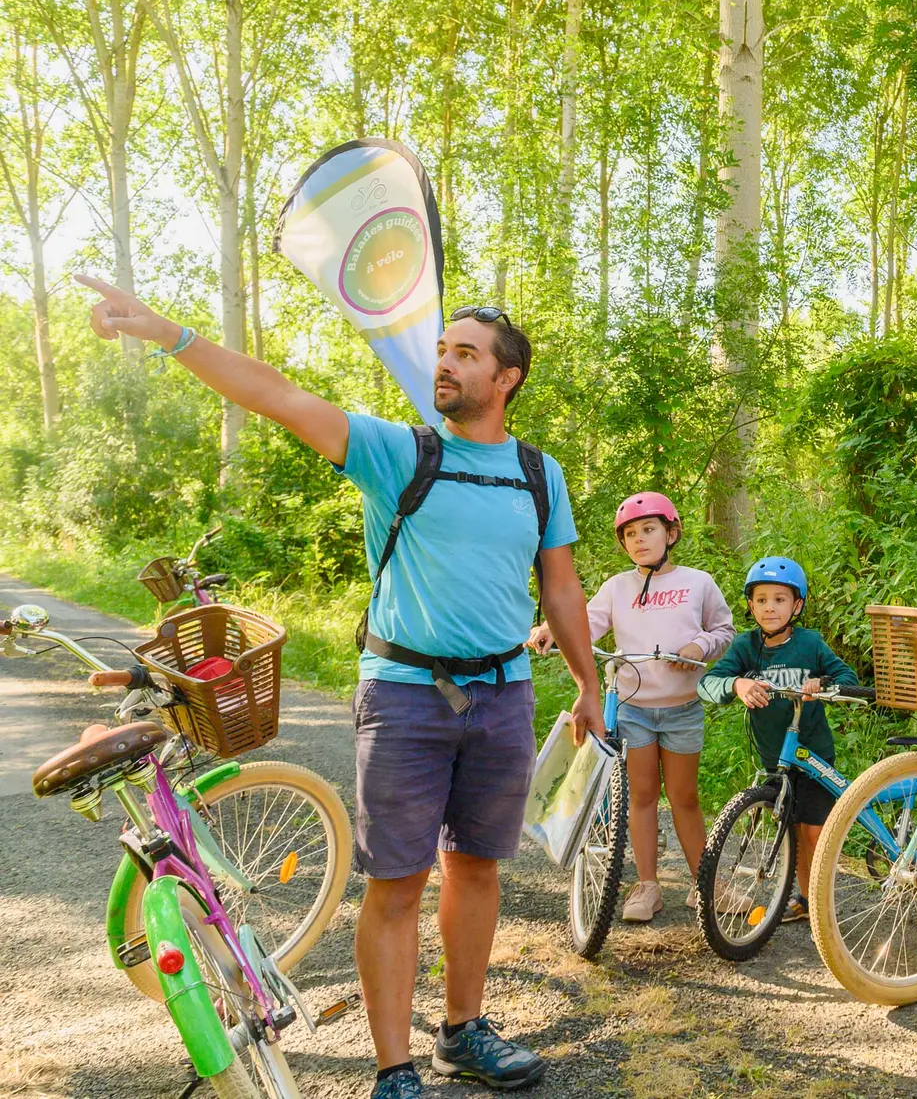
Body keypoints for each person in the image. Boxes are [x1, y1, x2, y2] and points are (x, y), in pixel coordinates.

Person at [74, 278, 604, 1099]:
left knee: (478, 869)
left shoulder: (540, 474)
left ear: (507, 378)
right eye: (443, 351)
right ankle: (393, 1068)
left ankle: (462, 1032)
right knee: (396, 882)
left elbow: (562, 589)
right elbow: (279, 393)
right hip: (403, 695)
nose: (445, 365)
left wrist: (587, 685)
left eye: (466, 354)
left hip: (502, 696)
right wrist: (166, 332)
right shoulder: (401, 452)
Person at [530, 492, 733, 923]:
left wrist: (700, 644)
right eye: (630, 534)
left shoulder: (698, 582)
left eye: (649, 530)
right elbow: (584, 622)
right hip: (633, 709)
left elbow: (724, 630)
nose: (639, 540)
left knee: (684, 797)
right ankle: (647, 885)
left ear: (671, 533)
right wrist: (551, 626)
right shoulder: (618, 587)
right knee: (641, 797)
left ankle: (705, 882)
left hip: (682, 709)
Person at [697, 556, 860, 923]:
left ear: (797, 605)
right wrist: (737, 684)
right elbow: (707, 683)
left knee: (815, 834)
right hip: (775, 759)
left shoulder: (810, 643)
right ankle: (802, 898)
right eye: (762, 599)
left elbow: (846, 677)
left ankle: (821, 904)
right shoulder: (744, 646)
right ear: (750, 605)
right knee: (792, 833)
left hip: (813, 756)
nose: (770, 607)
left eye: (780, 599)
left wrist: (824, 684)